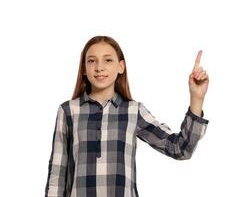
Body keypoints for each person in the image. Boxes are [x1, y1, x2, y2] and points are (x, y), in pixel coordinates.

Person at [45, 35, 209, 197]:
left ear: (121, 67)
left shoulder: (133, 111)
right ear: (84, 69)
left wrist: (197, 99)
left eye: (108, 60)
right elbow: (57, 175)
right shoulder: (68, 111)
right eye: (91, 60)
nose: (99, 67)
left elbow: (180, 149)